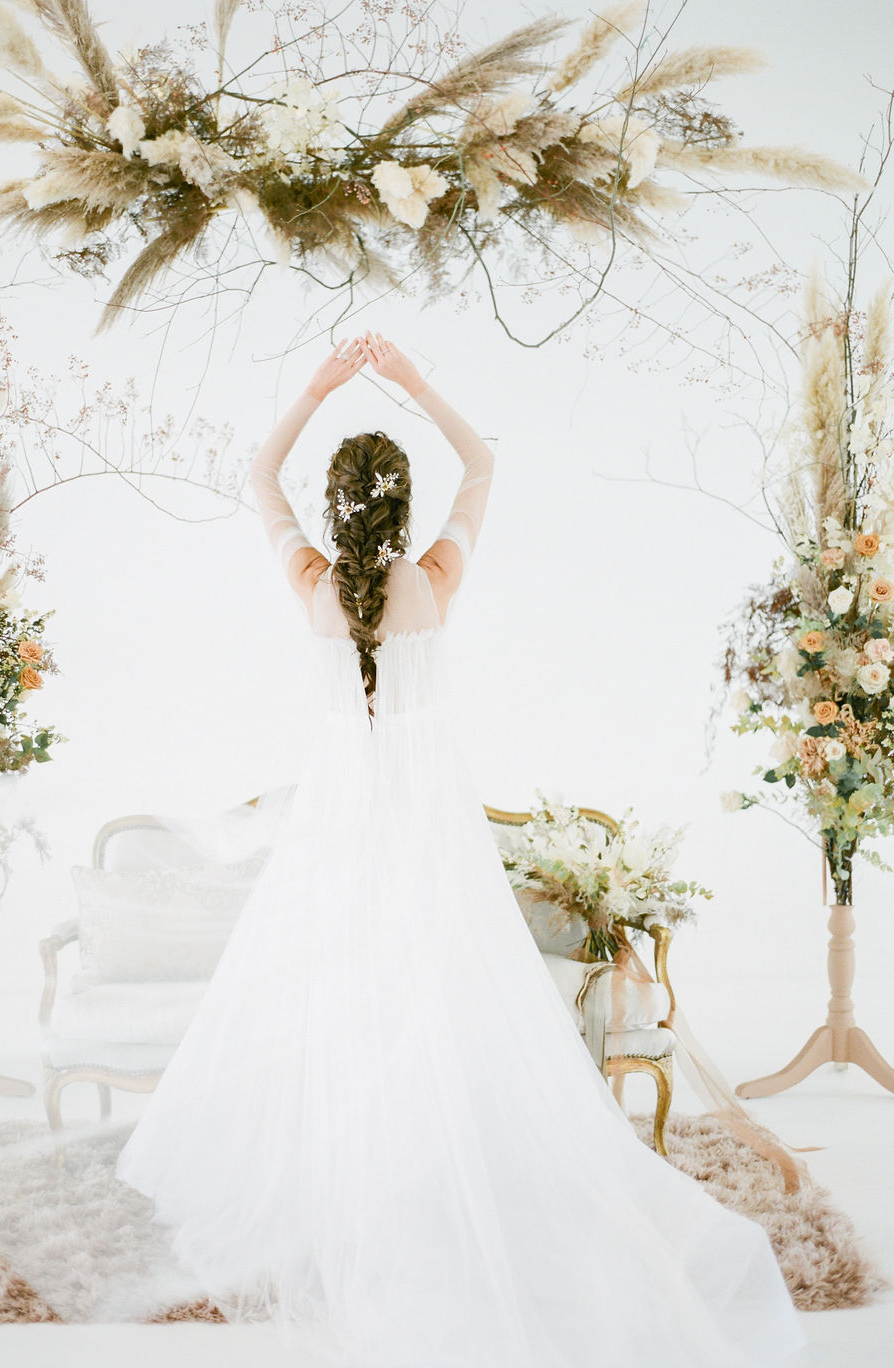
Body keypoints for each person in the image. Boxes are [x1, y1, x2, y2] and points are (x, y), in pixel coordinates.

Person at [115, 333, 807, 1367]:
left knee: (341, 1007)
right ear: (398, 507)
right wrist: (412, 384)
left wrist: (311, 387)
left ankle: (363, 1184)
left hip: (337, 835)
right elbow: (483, 468)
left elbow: (257, 478)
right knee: (434, 1008)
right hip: (426, 831)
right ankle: (433, 1178)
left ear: (337, 509)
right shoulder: (433, 577)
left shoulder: (310, 581)